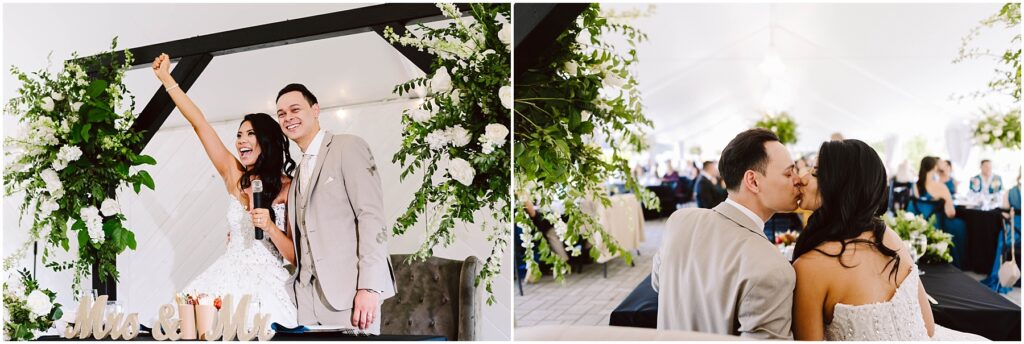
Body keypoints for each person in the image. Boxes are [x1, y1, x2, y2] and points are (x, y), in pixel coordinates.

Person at [151, 54, 298, 326]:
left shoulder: (290, 188)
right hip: (225, 275)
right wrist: (167, 79)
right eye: (239, 135)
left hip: (267, 284)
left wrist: (270, 227)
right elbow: (200, 124)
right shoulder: (235, 177)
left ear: (267, 141)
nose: (241, 141)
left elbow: (293, 255)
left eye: (250, 134)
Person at [792, 139, 986, 340]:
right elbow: (927, 327)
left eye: (815, 172)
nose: (802, 178)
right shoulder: (887, 236)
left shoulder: (809, 267)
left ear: (841, 185)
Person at [652, 128, 802, 339]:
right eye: (789, 173)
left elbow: (659, 284)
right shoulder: (774, 269)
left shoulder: (679, 221)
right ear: (753, 181)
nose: (798, 180)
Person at [276, 83, 396, 334]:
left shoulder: (348, 146)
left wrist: (369, 288)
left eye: (294, 109)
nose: (288, 118)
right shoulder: (297, 174)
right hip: (306, 301)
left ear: (315, 109)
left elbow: (371, 217)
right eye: (282, 114)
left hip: (350, 297)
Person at [911, 156, 967, 267]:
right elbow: (951, 213)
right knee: (960, 225)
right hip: (937, 225)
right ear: (935, 167)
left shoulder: (915, 186)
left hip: (920, 224)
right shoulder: (940, 186)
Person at [982, 169, 1022, 293]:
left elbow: (1004, 214)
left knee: (1002, 238)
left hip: (1013, 231)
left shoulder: (1009, 192)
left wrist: (1012, 214)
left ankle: (999, 277)